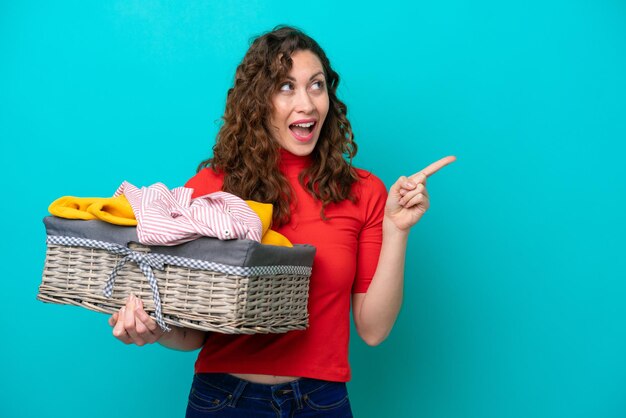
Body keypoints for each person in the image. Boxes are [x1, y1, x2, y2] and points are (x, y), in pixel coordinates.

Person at [108, 25, 455, 417]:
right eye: (286, 87)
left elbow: (373, 330)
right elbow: (192, 335)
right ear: (259, 101)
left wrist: (397, 230)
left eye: (317, 85)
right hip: (224, 401)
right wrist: (154, 329)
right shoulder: (211, 189)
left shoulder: (364, 192)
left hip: (321, 402)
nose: (306, 104)